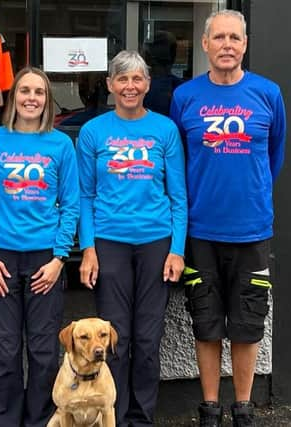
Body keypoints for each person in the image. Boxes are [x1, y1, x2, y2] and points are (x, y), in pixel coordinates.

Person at [169, 10, 286, 427]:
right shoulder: (186, 97)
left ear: (245, 44)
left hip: (252, 229)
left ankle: (243, 407)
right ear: (205, 44)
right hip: (200, 229)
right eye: (219, 37)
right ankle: (210, 409)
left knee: (248, 323)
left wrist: (246, 194)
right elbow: (179, 161)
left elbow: (274, 157)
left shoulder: (268, 94)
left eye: (234, 38)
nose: (227, 45)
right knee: (206, 321)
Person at [77, 50, 187, 426]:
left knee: (147, 340)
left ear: (147, 85)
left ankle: (141, 419)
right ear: (109, 85)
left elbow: (178, 196)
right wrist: (88, 249)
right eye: (122, 79)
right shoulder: (93, 132)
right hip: (109, 242)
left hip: (156, 242)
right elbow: (85, 197)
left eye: (137, 79)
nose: (129, 86)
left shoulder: (165, 130)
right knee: (112, 340)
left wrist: (177, 250)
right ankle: (114, 416)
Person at [0, 66, 80, 427]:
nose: (31, 98)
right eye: (24, 91)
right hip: (0, 260)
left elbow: (72, 205)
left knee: (44, 353)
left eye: (39, 92)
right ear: (12, 97)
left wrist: (59, 259)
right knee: (4, 353)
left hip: (44, 261)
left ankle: (40, 422)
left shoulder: (61, 144)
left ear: (47, 100)